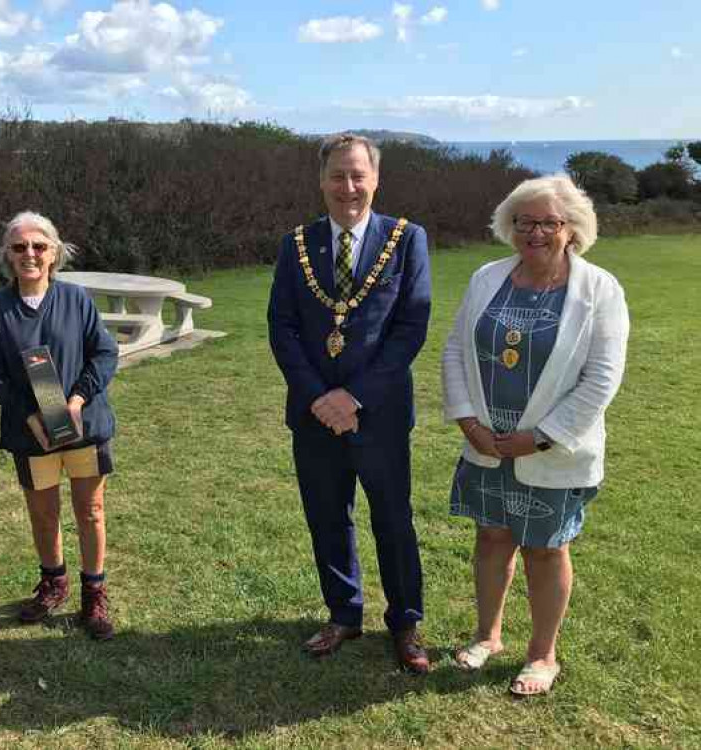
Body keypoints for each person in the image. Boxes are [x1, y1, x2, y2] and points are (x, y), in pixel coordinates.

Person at [441, 175, 629, 696]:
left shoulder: (599, 289)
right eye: (525, 222)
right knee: (491, 538)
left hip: (551, 452)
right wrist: (467, 421)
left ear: (572, 229)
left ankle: (543, 656)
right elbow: (456, 349)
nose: (536, 232)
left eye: (549, 222)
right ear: (511, 227)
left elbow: (602, 378)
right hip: (486, 445)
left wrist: (542, 437)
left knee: (545, 549)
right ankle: (488, 636)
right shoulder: (487, 277)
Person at [268, 133, 432, 673]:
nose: (349, 187)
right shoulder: (296, 245)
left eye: (359, 175)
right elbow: (283, 327)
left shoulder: (407, 240)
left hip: (379, 414)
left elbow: (409, 329)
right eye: (338, 176)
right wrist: (320, 397)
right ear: (321, 181)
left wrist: (353, 396)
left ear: (376, 178)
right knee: (327, 517)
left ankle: (405, 623)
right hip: (314, 416)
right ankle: (344, 612)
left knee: (393, 518)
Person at [0, 212, 119, 640]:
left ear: (55, 252)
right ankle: (53, 583)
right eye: (19, 247)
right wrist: (28, 413)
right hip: (31, 430)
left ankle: (94, 593)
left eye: (39, 246)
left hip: (82, 423)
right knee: (43, 513)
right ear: (7, 255)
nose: (30, 254)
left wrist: (76, 399)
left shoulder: (76, 299)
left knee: (90, 511)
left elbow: (104, 354)